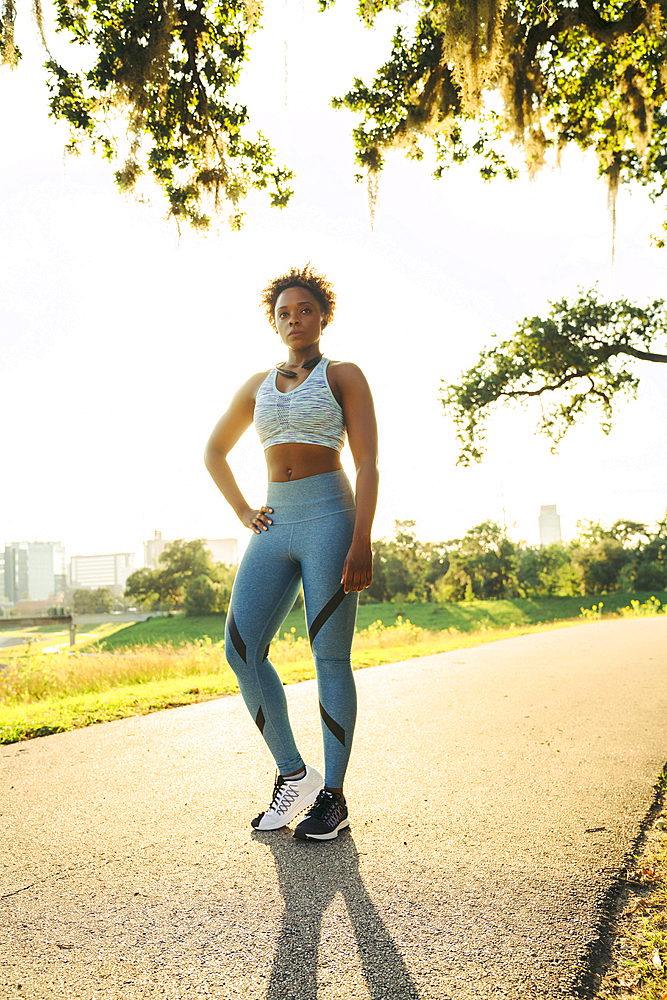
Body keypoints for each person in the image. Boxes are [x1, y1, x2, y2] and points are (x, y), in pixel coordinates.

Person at [204, 265, 379, 841]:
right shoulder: (256, 385)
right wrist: (242, 512)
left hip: (332, 517)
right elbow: (214, 452)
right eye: (284, 312)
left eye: (304, 309)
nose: (294, 319)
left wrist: (362, 541)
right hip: (273, 524)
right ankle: (293, 775)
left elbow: (368, 464)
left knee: (328, 657)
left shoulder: (343, 375)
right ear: (273, 323)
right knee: (241, 649)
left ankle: (334, 795)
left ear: (323, 316)